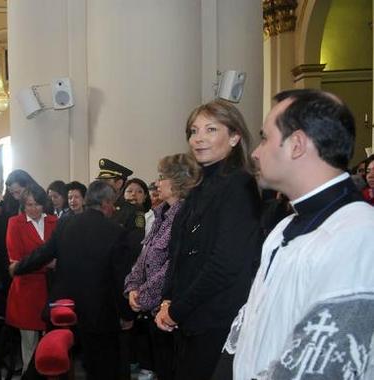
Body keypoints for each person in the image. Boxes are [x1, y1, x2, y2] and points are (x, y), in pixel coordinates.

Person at [218, 89, 374, 379]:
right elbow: (253, 320)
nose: (255, 151)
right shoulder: (284, 228)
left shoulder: (359, 233)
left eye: (265, 138)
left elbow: (325, 364)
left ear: (297, 145)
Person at [156, 99, 262, 380]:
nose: (198, 138)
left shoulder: (239, 185)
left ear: (235, 137)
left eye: (211, 129)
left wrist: (176, 309)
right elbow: (177, 252)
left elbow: (225, 264)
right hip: (189, 317)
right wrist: (167, 299)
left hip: (215, 321)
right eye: (193, 130)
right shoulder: (199, 186)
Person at [10, 181, 136, 379]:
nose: (114, 208)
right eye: (113, 204)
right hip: (99, 312)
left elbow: (44, 253)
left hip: (64, 308)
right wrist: (126, 314)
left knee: (48, 362)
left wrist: (18, 267)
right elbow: (120, 277)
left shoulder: (66, 223)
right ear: (105, 203)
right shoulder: (116, 232)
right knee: (102, 367)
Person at [124, 153, 201, 380]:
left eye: (162, 177)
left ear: (178, 182)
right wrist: (132, 288)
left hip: (169, 314)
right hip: (151, 311)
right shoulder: (161, 214)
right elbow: (144, 256)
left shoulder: (186, 216)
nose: (157, 183)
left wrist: (143, 296)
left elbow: (172, 267)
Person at [6, 185, 57, 373]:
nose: (33, 209)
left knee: (51, 343)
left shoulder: (54, 221)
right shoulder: (14, 223)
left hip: (51, 288)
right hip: (26, 291)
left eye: (37, 204)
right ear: (23, 205)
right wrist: (49, 264)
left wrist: (42, 263)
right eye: (29, 205)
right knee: (29, 344)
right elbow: (16, 261)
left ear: (44, 204)